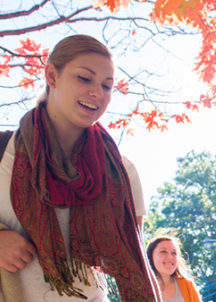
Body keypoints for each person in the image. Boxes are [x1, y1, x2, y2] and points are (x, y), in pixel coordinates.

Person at [0, 35, 160, 301]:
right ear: (51, 75)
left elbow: (134, 259)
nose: (97, 93)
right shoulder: (4, 151)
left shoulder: (122, 171)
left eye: (107, 86)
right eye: (84, 79)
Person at [147, 235, 202, 302]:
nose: (170, 257)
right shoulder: (141, 288)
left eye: (174, 253)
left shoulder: (187, 285)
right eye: (163, 251)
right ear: (150, 256)